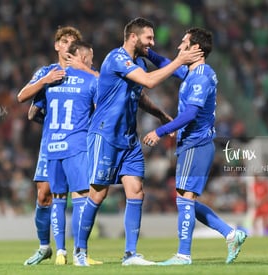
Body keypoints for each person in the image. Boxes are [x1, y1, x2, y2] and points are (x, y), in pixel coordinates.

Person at [74, 17, 202, 267]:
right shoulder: (116, 58)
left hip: (128, 139)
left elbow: (139, 95)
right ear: (133, 37)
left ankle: (130, 254)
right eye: (148, 38)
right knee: (98, 195)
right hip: (105, 135)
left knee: (136, 192)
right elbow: (149, 81)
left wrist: (162, 115)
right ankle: (80, 251)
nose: (152, 43)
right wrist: (179, 60)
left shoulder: (139, 61)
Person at [143, 27, 247, 265]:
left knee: (185, 198)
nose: (180, 47)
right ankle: (231, 234)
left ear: (196, 49)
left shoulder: (200, 77)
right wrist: (147, 53)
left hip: (196, 143)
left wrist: (160, 131)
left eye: (184, 43)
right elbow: (168, 65)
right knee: (184, 199)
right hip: (194, 144)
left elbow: (190, 114)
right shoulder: (194, 72)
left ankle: (183, 255)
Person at [17, 26, 100, 266]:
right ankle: (45, 247)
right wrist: (45, 81)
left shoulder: (88, 74)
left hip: (75, 143)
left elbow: (102, 94)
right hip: (50, 144)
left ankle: (78, 251)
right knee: (44, 196)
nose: (68, 47)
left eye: (73, 43)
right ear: (57, 45)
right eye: (64, 42)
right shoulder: (47, 72)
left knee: (78, 193)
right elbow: (24, 99)